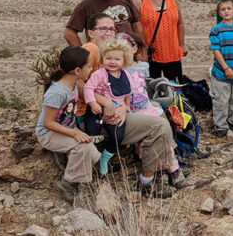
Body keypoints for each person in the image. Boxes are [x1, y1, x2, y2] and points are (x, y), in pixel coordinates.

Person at [120, 33, 186, 189]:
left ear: (134, 49)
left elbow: (146, 87)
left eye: (125, 49)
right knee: (147, 136)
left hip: (145, 105)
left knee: (162, 127)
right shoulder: (116, 70)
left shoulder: (141, 67)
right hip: (132, 110)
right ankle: (162, 168)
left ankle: (168, 166)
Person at [35, 46, 99, 202]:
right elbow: (48, 122)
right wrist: (74, 133)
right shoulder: (57, 92)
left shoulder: (75, 84)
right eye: (89, 66)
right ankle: (68, 183)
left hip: (67, 129)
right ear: (77, 70)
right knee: (82, 147)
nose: (91, 69)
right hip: (48, 133)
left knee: (94, 155)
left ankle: (75, 173)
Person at [83, 37, 133, 175]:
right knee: (92, 133)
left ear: (124, 60)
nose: (112, 62)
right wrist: (92, 103)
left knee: (118, 135)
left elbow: (128, 92)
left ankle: (105, 157)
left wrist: (126, 106)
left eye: (117, 59)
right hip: (96, 110)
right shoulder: (99, 74)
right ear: (102, 58)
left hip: (116, 111)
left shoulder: (126, 75)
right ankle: (91, 160)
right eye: (108, 58)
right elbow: (88, 88)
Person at [133, 0, 187, 81]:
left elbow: (180, 24)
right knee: (153, 92)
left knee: (176, 91)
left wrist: (182, 45)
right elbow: (136, 29)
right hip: (151, 56)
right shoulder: (140, 2)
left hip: (172, 54)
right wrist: (141, 50)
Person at [209, 0, 233, 137]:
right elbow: (216, 50)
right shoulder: (216, 30)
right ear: (219, 12)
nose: (226, 11)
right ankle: (221, 127)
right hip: (221, 72)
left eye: (229, 8)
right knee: (221, 100)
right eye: (223, 9)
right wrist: (226, 68)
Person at [75, 13, 117, 123]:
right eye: (103, 28)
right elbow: (76, 81)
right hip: (85, 112)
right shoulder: (91, 49)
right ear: (90, 33)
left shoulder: (108, 54)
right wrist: (104, 101)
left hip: (101, 109)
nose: (109, 33)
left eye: (112, 29)